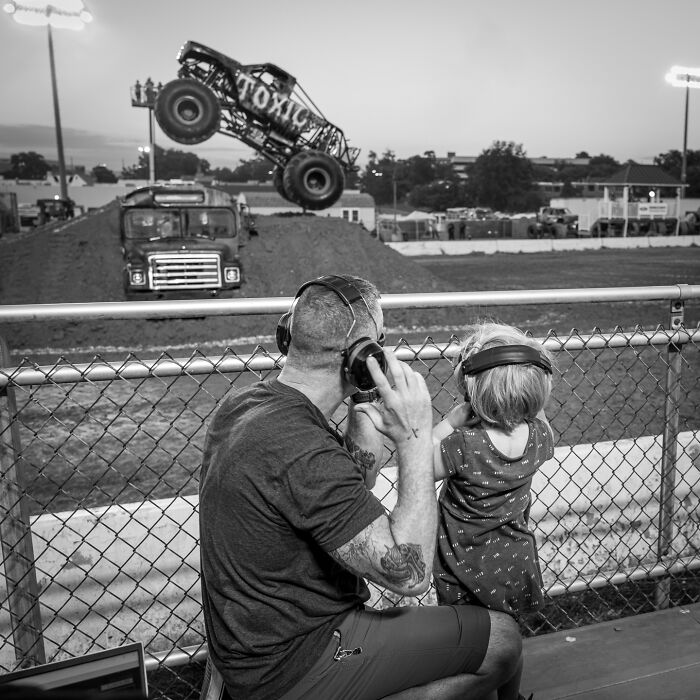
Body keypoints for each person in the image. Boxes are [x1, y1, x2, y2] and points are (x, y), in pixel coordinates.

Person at [198, 275, 523, 700]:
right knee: (503, 640)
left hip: (253, 650)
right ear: (361, 357)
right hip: (296, 662)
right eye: (379, 344)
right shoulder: (301, 450)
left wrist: (361, 402)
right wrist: (413, 437)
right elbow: (410, 573)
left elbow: (351, 479)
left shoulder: (248, 406)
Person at [432, 322, 555, 699]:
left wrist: (448, 423)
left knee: (473, 648)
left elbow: (419, 464)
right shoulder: (539, 437)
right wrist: (526, 406)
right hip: (514, 559)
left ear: (471, 394)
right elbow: (540, 417)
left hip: (463, 563)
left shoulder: (462, 446)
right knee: (509, 639)